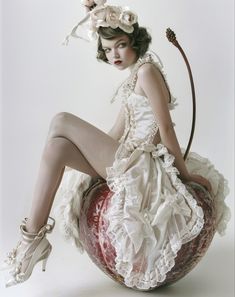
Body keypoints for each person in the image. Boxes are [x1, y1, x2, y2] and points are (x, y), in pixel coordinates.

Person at [1, 0, 230, 290]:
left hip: (138, 165)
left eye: (120, 45)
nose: (114, 55)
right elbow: (114, 133)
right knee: (56, 148)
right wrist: (85, 153)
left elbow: (166, 129)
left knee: (60, 120)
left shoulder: (147, 72)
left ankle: (30, 241)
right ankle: (34, 242)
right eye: (108, 50)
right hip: (123, 158)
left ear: (135, 40)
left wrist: (185, 177)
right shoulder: (133, 78)